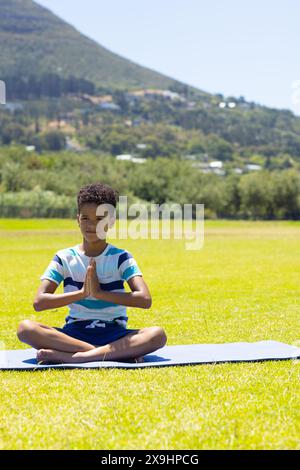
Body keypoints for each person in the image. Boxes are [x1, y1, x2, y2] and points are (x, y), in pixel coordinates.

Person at [17, 182, 167, 364]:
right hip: (74, 335)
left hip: (114, 333)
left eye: (100, 219)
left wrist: (99, 294)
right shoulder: (64, 257)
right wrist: (82, 294)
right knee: (25, 329)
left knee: (157, 335)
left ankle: (76, 357)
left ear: (111, 221)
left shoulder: (121, 257)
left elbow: (144, 299)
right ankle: (108, 353)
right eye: (86, 218)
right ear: (77, 219)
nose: (92, 225)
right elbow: (39, 302)